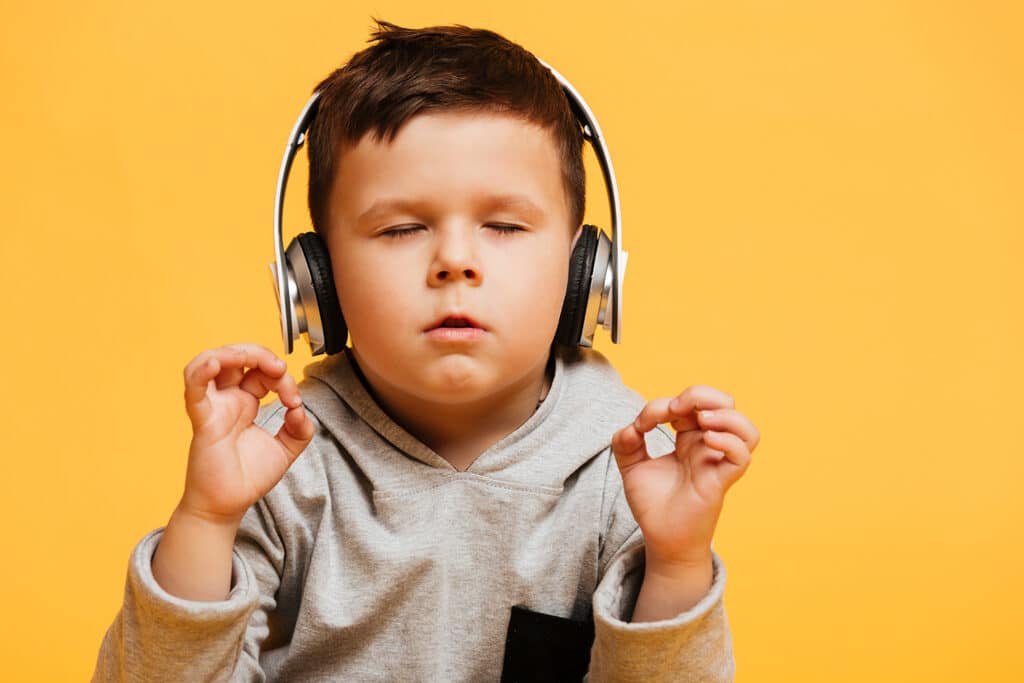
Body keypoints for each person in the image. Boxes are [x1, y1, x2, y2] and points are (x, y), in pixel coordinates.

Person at [92, 18, 760, 682]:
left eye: (503, 225)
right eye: (402, 228)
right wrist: (207, 519)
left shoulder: (629, 471)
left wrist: (674, 562)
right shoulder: (281, 465)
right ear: (314, 282)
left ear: (587, 268)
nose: (455, 262)